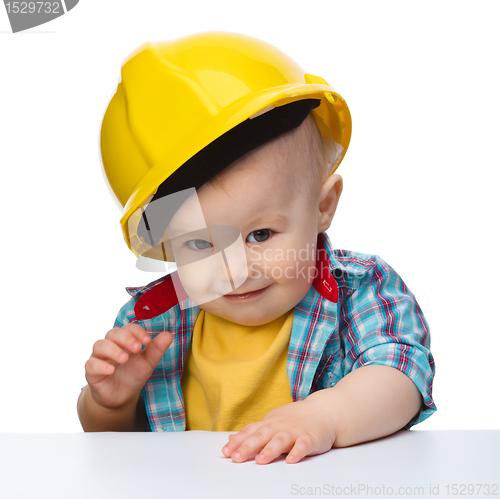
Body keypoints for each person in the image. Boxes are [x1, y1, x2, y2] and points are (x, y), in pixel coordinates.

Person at [77, 32, 436, 465]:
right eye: (199, 243)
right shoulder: (151, 321)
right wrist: (110, 404)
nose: (234, 269)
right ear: (167, 241)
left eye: (260, 235)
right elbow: (110, 445)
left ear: (323, 207)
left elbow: (401, 375)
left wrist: (323, 416)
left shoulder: (358, 289)